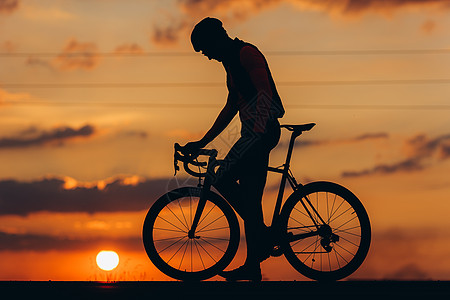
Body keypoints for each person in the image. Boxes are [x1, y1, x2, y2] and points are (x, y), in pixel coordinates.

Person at [183, 17, 285, 282]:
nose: (206, 57)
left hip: (261, 133)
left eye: (205, 49)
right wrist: (203, 141)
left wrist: (258, 133)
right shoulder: (230, 62)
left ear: (216, 39)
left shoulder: (246, 53)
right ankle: (255, 260)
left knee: (222, 178)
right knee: (250, 201)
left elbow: (265, 93)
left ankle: (261, 235)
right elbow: (231, 106)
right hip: (252, 135)